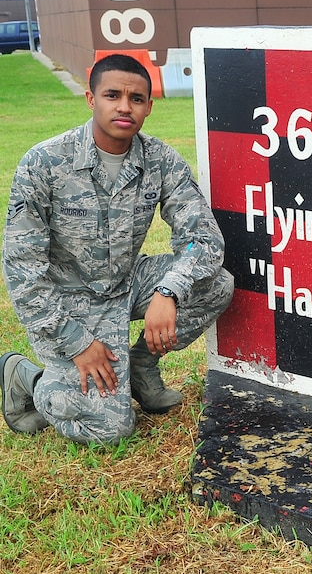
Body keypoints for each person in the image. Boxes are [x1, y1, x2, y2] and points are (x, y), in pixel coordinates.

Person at [1, 53, 234, 444]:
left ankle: (141, 365)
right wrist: (76, 342)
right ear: (91, 99)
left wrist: (167, 291)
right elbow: (22, 270)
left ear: (148, 107)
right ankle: (27, 377)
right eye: (113, 95)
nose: (124, 107)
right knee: (110, 430)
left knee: (218, 284)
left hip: (126, 283)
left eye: (136, 98)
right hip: (67, 301)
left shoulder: (160, 160)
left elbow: (204, 239)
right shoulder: (43, 163)